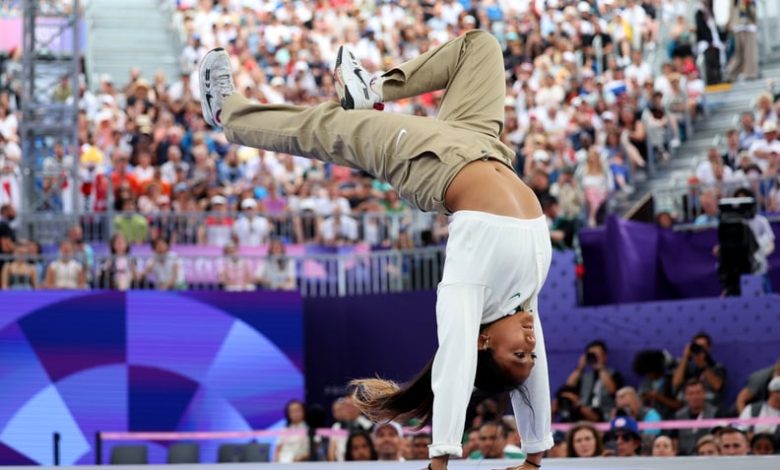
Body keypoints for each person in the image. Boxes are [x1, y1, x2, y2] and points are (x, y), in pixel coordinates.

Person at [201, 30, 553, 470]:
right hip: (483, 143)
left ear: (484, 341)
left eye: (518, 352)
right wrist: (535, 457)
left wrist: (442, 456)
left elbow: (456, 363)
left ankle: (227, 113)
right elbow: (534, 380)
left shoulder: (470, 290)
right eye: (530, 351)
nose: (530, 342)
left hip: (430, 163)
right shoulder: (524, 298)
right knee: (480, 47)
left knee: (331, 128)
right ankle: (373, 87)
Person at [565, 340, 624, 421]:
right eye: (592, 355)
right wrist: (580, 368)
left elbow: (612, 390)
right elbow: (568, 386)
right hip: (584, 410)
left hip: (605, 412)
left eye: (598, 354)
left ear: (604, 356)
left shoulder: (613, 374)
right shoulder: (585, 376)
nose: (595, 357)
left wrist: (600, 367)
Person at [672, 332, 726, 407]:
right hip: (687, 407)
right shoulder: (686, 366)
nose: (700, 349)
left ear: (709, 348)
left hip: (710, 406)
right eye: (697, 346)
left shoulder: (717, 367)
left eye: (703, 346)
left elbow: (718, 386)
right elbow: (676, 383)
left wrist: (703, 366)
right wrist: (685, 357)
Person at [673, 379, 720, 455]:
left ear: (704, 394)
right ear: (685, 396)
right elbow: (674, 441)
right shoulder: (678, 416)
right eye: (691, 393)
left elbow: (719, 439)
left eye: (698, 393)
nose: (695, 397)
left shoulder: (715, 413)